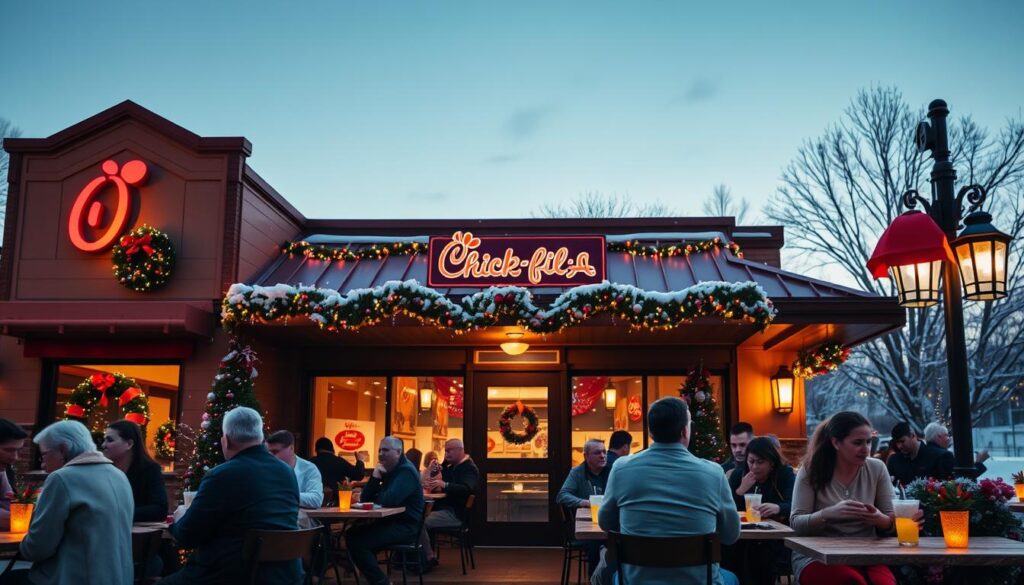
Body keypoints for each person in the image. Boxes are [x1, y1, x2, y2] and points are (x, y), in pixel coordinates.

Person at [594, 397, 740, 585]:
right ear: (685, 431)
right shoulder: (713, 472)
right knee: (732, 578)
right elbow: (730, 535)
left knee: (616, 577)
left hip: (638, 581)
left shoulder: (621, 468)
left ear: (652, 432)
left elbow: (606, 522)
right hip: (699, 581)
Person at [163, 407, 301, 585]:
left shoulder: (222, 475)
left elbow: (188, 537)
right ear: (261, 439)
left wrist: (179, 518)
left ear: (225, 441)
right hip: (285, 576)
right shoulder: (287, 472)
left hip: (231, 575)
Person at [791, 411, 919, 585]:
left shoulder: (877, 468)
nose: (866, 448)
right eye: (858, 442)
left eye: (868, 441)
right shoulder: (811, 470)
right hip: (817, 555)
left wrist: (879, 519)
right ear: (836, 442)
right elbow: (796, 523)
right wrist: (827, 514)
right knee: (850, 581)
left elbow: (893, 522)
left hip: (866, 554)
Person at [3, 420, 133, 585]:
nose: (43, 465)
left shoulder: (62, 478)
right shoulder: (119, 476)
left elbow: (38, 548)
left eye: (44, 455)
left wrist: (24, 544)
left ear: (63, 449)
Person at [346, 437, 425, 585]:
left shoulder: (406, 471)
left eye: (386, 450)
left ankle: (381, 582)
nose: (381, 454)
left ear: (398, 452)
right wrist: (375, 478)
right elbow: (365, 499)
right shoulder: (390, 470)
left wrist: (378, 492)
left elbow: (389, 500)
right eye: (380, 450)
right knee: (352, 534)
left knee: (358, 541)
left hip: (406, 527)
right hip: (392, 522)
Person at [723, 437, 795, 585]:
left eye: (760, 462)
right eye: (751, 461)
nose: (754, 467)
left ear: (772, 462)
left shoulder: (785, 475)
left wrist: (778, 507)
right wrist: (740, 490)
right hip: (744, 537)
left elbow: (794, 505)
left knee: (761, 554)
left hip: (775, 539)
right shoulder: (739, 475)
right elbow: (727, 509)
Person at [422, 439, 479, 565]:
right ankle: (423, 557)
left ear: (460, 450)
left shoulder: (469, 468)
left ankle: (427, 558)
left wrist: (445, 484)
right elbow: (435, 484)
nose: (446, 454)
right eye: (445, 451)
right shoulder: (451, 466)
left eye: (449, 450)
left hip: (455, 514)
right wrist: (433, 471)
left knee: (419, 522)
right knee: (417, 517)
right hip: (445, 510)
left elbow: (466, 488)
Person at [101, 419, 169, 521]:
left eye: (110, 440)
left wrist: (117, 514)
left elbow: (159, 510)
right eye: (104, 440)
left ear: (129, 444)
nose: (103, 445)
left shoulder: (150, 470)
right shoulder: (102, 470)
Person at [267, 429, 324, 509]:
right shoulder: (266, 467)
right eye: (269, 452)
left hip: (298, 518)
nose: (271, 456)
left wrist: (283, 495)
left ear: (291, 448)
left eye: (275, 452)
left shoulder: (309, 469)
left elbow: (316, 499)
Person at [886, 422, 954, 487]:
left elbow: (948, 488)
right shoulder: (894, 460)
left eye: (902, 441)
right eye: (897, 443)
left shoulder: (940, 456)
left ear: (913, 435)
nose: (899, 446)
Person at [557, 439, 610, 508]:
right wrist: (584, 502)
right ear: (586, 456)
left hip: (609, 515)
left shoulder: (613, 470)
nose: (602, 456)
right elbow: (562, 496)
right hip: (587, 515)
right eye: (597, 453)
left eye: (604, 452)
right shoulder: (577, 472)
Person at [923, 421, 989, 475]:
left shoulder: (922, 451)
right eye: (946, 435)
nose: (949, 439)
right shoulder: (945, 455)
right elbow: (960, 480)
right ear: (938, 437)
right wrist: (979, 462)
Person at [0, 419, 28, 531]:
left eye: (18, 451)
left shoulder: (2, 471)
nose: (15, 457)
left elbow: (10, 503)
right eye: (9, 450)